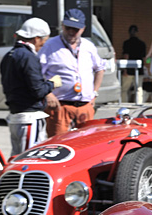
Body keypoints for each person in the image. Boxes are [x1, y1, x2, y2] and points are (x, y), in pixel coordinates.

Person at [0, 18, 62, 156]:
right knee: (28, 159)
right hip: (29, 117)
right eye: (44, 41)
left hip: (15, 114)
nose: (43, 45)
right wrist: (52, 83)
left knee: (16, 157)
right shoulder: (28, 57)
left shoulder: (8, 56)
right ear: (36, 39)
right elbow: (38, 90)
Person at [39, 8, 106, 136]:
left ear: (83, 29)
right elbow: (37, 74)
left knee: (86, 145)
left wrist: (94, 93)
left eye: (75, 29)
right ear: (62, 26)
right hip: (60, 106)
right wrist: (48, 94)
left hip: (85, 107)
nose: (71, 32)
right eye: (68, 28)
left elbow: (100, 68)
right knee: (59, 145)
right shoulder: (50, 46)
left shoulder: (88, 46)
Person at [121, 24, 146, 102]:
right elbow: (144, 58)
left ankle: (124, 103)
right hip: (139, 69)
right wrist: (145, 67)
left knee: (124, 89)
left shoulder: (126, 43)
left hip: (128, 69)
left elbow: (126, 56)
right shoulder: (142, 44)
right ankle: (139, 103)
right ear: (137, 32)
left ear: (129, 32)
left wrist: (124, 69)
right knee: (138, 88)